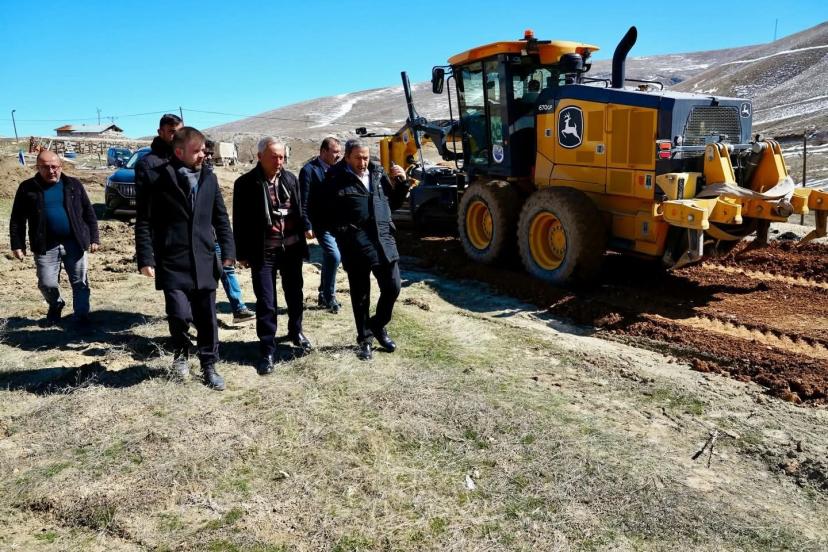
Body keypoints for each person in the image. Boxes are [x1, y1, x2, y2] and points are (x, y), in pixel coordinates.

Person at [134, 127, 235, 391]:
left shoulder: (209, 178)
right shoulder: (157, 178)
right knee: (179, 314)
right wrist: (145, 257)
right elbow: (144, 221)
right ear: (179, 152)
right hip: (172, 259)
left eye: (204, 150)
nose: (203, 155)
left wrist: (228, 251)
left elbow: (220, 218)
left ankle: (209, 364)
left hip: (204, 258)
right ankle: (181, 353)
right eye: (197, 150)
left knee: (207, 318)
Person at [309, 138, 410, 360]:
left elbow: (392, 203)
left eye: (365, 157)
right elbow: (321, 212)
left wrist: (402, 183)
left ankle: (378, 324)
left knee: (393, 286)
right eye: (358, 158)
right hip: (354, 244)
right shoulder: (334, 178)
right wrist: (343, 234)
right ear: (347, 157)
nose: (363, 162)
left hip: (383, 240)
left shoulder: (377, 173)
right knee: (361, 294)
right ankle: (365, 339)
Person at [233, 137, 311, 375]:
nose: (279, 162)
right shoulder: (245, 183)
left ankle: (296, 331)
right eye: (274, 157)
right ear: (260, 157)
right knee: (266, 301)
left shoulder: (290, 179)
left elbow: (300, 208)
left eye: (282, 157)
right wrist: (241, 253)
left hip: (291, 249)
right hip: (263, 251)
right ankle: (267, 348)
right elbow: (240, 221)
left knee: (294, 293)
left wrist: (306, 227)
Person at [10, 150, 100, 327]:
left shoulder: (73, 184)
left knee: (80, 282)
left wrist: (94, 238)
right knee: (46, 283)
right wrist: (17, 244)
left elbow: (89, 212)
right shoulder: (27, 188)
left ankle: (81, 317)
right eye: (45, 167)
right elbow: (17, 218)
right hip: (45, 245)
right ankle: (56, 304)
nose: (51, 171)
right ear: (37, 167)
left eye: (54, 167)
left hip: (74, 242)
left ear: (61, 166)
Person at [204, 139, 255, 323]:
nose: (208, 157)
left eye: (211, 154)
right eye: (205, 153)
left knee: (227, 269)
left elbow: (219, 212)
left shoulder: (210, 177)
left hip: (215, 234)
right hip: (199, 239)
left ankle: (239, 308)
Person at [299, 137, 342, 314]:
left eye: (339, 152)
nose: (338, 156)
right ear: (323, 151)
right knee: (334, 256)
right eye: (335, 152)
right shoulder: (309, 170)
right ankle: (330, 296)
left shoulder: (339, 169)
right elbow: (303, 200)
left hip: (337, 223)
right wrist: (306, 225)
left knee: (329, 258)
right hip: (320, 223)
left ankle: (323, 295)